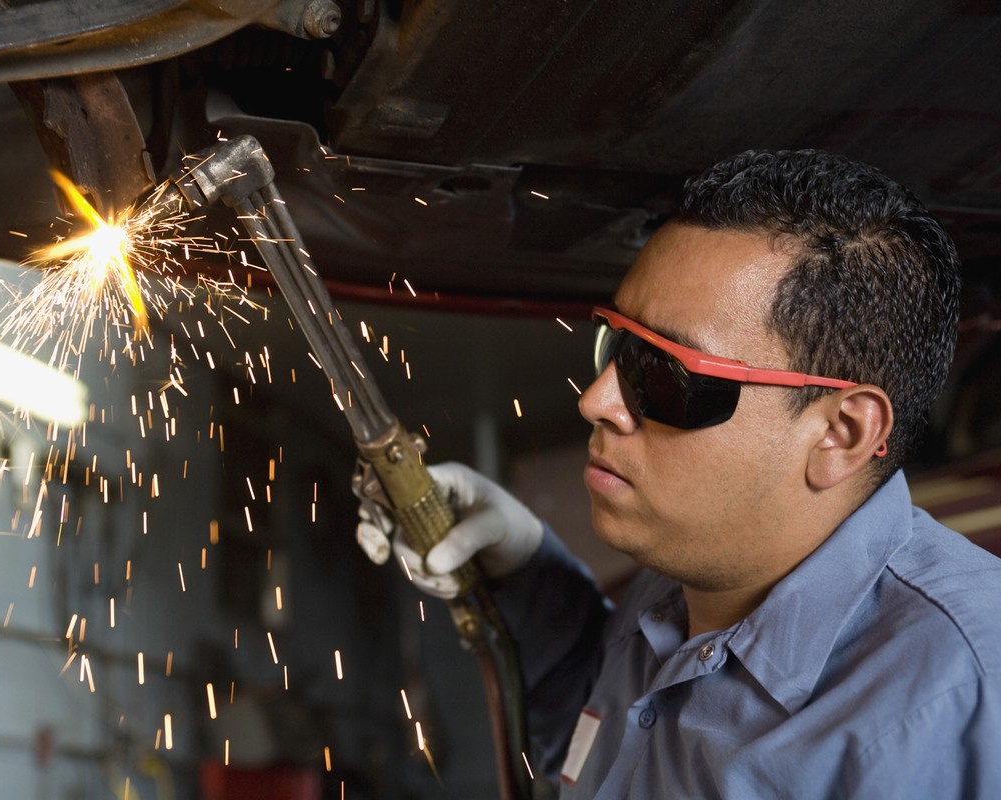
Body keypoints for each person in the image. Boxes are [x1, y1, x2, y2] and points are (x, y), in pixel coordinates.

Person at [357, 149, 1001, 798]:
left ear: (843, 432)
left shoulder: (965, 693)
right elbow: (604, 753)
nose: (596, 400)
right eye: (620, 348)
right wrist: (529, 575)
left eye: (666, 377)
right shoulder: (683, 576)